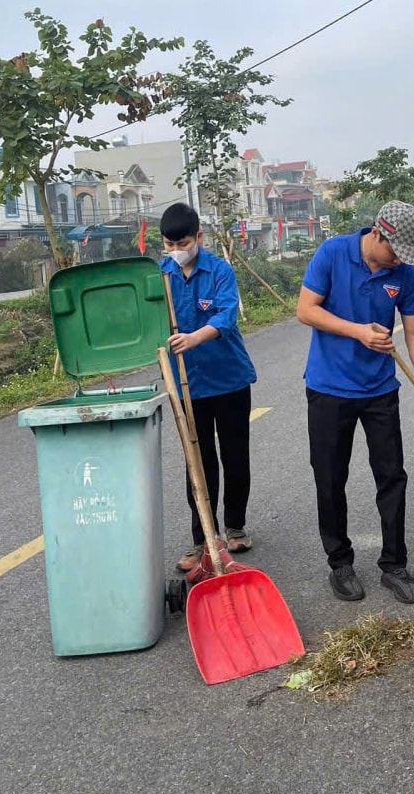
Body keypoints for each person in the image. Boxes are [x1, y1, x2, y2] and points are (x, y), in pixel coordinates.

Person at [296, 200, 414, 605]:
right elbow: (306, 310)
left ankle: (394, 564)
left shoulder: (405, 275)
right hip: (329, 389)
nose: (399, 260)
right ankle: (340, 563)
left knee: (391, 475)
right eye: (395, 251)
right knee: (330, 477)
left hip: (380, 390)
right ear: (377, 233)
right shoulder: (333, 253)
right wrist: (358, 332)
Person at [159, 202, 258, 573]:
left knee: (234, 456)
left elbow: (226, 316)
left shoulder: (219, 270)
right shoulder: (160, 275)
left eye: (182, 243)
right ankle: (203, 537)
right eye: (169, 244)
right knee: (197, 464)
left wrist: (194, 338)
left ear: (198, 237)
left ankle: (235, 526)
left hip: (229, 379)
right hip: (188, 387)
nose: (176, 250)